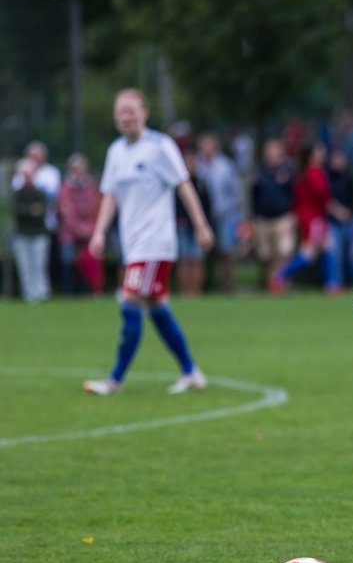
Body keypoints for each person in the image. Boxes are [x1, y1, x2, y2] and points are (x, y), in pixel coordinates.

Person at [83, 88, 215, 395]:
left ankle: (114, 380)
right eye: (120, 111)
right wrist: (99, 231)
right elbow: (110, 195)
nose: (125, 116)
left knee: (130, 302)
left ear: (144, 113)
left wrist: (201, 225)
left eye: (131, 110)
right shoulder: (116, 151)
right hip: (132, 244)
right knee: (157, 306)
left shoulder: (160, 146)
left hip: (155, 242)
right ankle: (191, 372)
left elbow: (183, 185)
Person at [272, 141, 338, 294]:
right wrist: (334, 209)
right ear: (312, 155)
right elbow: (322, 195)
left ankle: (331, 284)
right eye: (319, 150)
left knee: (327, 247)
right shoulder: (314, 172)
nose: (322, 153)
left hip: (310, 217)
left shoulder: (304, 173)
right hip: (314, 218)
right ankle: (280, 276)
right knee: (309, 254)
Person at [196, 132, 245, 293]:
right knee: (202, 252)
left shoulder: (225, 165)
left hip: (224, 214)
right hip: (203, 216)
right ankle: (204, 286)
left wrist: (233, 212)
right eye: (204, 145)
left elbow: (235, 192)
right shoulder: (197, 165)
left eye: (209, 144)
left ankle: (228, 285)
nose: (207, 148)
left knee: (226, 251)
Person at [250, 138, 296, 289]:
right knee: (267, 256)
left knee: (283, 252)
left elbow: (295, 195)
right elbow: (253, 197)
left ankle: (281, 283)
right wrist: (253, 219)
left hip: (283, 218)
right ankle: (272, 284)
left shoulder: (288, 172)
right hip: (263, 219)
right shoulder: (259, 173)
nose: (271, 154)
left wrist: (293, 216)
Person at [56, 154, 104, 296]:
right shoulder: (65, 187)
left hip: (89, 230)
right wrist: (78, 228)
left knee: (89, 261)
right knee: (67, 260)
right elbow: (66, 210)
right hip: (69, 232)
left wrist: (87, 228)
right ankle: (68, 292)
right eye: (75, 168)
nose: (78, 171)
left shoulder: (91, 186)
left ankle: (87, 291)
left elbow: (95, 206)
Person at [12, 159, 52, 303]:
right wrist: (31, 210)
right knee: (25, 267)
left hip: (38, 234)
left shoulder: (40, 193)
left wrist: (30, 211)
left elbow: (41, 212)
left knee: (39, 266)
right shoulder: (17, 194)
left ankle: (41, 294)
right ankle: (29, 295)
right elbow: (18, 212)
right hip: (22, 235)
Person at [175, 149, 212, 296]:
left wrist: (203, 226)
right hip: (182, 226)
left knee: (196, 259)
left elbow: (207, 206)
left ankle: (196, 292)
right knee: (184, 260)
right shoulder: (177, 185)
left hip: (197, 227)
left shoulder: (201, 184)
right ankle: (185, 292)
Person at [326, 148, 353, 287]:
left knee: (350, 254)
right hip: (332, 222)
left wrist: (348, 213)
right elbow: (325, 199)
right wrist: (336, 211)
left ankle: (350, 282)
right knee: (334, 254)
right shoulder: (327, 178)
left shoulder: (349, 178)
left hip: (347, 221)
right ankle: (334, 283)